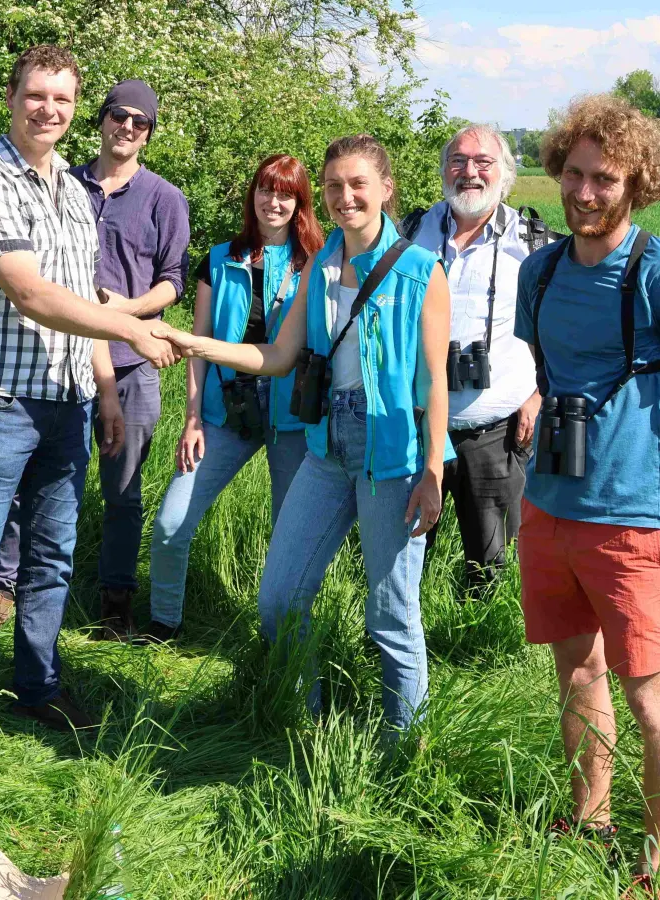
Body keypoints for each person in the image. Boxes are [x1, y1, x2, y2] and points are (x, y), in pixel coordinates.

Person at [0, 45, 180, 749]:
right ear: (11, 97)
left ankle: (38, 687)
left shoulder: (71, 188)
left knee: (52, 559)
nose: (49, 110)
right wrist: (134, 326)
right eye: (37, 95)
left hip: (67, 406)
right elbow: (35, 295)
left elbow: (79, 299)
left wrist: (109, 392)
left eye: (62, 100)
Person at [161, 135, 453, 733]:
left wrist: (433, 471)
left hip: (392, 459)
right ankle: (306, 721)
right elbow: (278, 355)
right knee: (279, 597)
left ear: (385, 191)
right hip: (325, 448)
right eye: (334, 187)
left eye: (358, 186)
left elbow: (434, 383)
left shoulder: (422, 271)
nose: (345, 198)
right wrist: (199, 344)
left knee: (390, 614)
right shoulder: (321, 266)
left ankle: (408, 746)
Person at [514, 95, 660, 892]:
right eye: (572, 173)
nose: (583, 192)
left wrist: (640, 464)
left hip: (630, 525)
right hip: (546, 507)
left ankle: (659, 866)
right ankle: (589, 816)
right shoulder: (538, 271)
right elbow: (544, 375)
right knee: (576, 673)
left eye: (603, 178)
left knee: (652, 698)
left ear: (638, 182)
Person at [0, 78, 192, 641]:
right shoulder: (63, 184)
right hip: (57, 356)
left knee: (122, 489)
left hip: (134, 363)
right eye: (119, 115)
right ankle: (2, 587)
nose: (127, 127)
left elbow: (174, 281)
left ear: (148, 134)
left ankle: (115, 601)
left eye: (140, 121)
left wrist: (130, 311)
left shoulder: (165, 199)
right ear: (100, 120)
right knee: (34, 479)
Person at [142, 155, 326, 643]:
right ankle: (164, 625)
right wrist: (192, 418)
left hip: (293, 418)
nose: (274, 202)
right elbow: (198, 344)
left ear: (301, 203)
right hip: (226, 411)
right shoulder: (220, 259)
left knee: (292, 541)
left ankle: (281, 646)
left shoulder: (320, 262)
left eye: (286, 193)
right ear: (253, 196)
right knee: (170, 522)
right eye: (266, 190)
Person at [401, 124, 543, 596]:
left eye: (484, 163)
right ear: (443, 171)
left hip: (495, 431)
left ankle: (480, 649)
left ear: (505, 174)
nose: (470, 173)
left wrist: (540, 392)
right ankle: (397, 638)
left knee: (489, 564)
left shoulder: (534, 242)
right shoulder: (411, 233)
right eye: (458, 161)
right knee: (403, 552)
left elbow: (562, 329)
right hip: (417, 425)